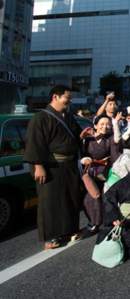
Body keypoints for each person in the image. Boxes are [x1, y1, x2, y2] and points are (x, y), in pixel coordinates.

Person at [24, 85, 92, 249]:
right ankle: (51, 236)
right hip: (50, 166)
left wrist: (81, 136)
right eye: (68, 97)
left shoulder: (68, 117)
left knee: (70, 199)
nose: (70, 100)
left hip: (68, 164)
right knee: (51, 202)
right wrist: (38, 166)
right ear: (56, 97)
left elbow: (74, 137)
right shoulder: (40, 118)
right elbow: (34, 143)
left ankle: (68, 231)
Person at [81, 114, 122, 234]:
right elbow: (81, 153)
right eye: (102, 124)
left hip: (106, 172)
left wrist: (115, 124)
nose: (105, 127)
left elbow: (116, 146)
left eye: (107, 124)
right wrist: (84, 160)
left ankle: (107, 221)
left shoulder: (110, 138)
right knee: (90, 198)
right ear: (95, 125)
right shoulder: (87, 139)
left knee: (106, 196)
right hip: (91, 172)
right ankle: (93, 222)